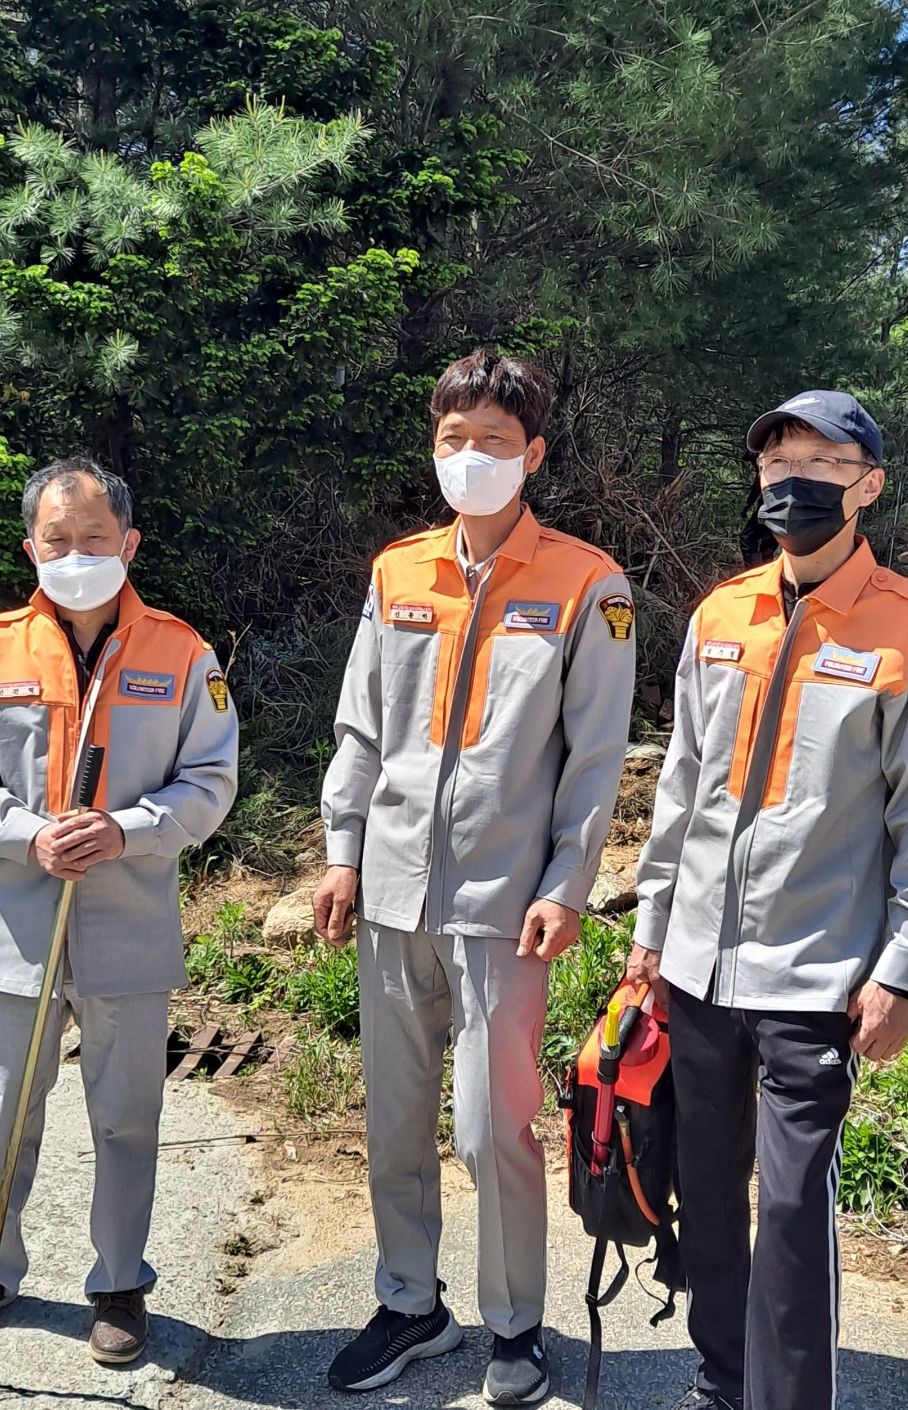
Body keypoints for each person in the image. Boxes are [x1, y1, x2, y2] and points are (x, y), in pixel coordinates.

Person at [627, 391, 908, 1410]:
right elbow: (681, 789)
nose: (793, 483)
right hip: (697, 966)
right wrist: (652, 931)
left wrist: (901, 971)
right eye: (777, 464)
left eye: (821, 464)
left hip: (816, 976)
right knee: (704, 1188)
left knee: (788, 1209)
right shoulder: (720, 613)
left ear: (868, 486)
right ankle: (723, 1379)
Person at [315, 349, 636, 1405]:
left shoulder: (588, 583)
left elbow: (594, 756)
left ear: (533, 454)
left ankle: (514, 1324)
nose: (470, 457)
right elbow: (361, 729)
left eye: (494, 440)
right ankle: (410, 1302)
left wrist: (567, 882)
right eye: (454, 439)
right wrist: (342, 851)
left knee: (493, 1125)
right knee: (395, 1116)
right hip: (392, 887)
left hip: (505, 900)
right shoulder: (398, 571)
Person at [0, 458, 238, 1365]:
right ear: (31, 548)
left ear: (128, 543)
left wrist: (127, 828)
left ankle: (120, 1281)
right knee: (6, 1106)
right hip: (21, 921)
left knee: (126, 1116)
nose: (76, 553)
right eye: (57, 539)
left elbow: (211, 781)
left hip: (130, 920)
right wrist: (29, 835)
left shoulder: (183, 653)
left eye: (94, 537)